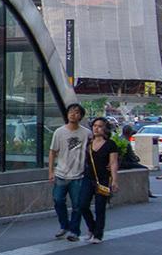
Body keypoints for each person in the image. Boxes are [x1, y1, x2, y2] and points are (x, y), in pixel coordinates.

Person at [48, 104, 90, 242]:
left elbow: (91, 152)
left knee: (77, 205)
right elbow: (52, 152)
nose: (73, 114)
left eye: (77, 112)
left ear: (81, 116)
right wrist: (51, 171)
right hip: (61, 173)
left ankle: (74, 231)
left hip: (79, 175)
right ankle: (64, 225)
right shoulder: (59, 132)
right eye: (71, 112)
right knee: (58, 200)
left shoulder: (86, 133)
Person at [81, 118, 118, 243]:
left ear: (105, 129)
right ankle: (92, 227)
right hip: (88, 177)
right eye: (95, 126)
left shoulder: (110, 144)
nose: (96, 128)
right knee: (83, 205)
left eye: (100, 126)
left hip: (102, 178)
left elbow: (113, 162)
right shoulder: (88, 143)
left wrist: (114, 180)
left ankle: (98, 234)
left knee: (100, 207)